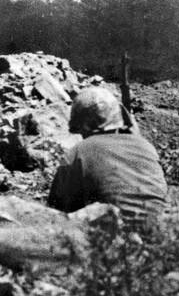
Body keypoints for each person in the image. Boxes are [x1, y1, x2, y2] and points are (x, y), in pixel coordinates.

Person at [47, 86, 166, 221]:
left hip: (115, 234)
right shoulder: (146, 146)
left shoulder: (77, 153)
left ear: (82, 126)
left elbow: (56, 210)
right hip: (160, 231)